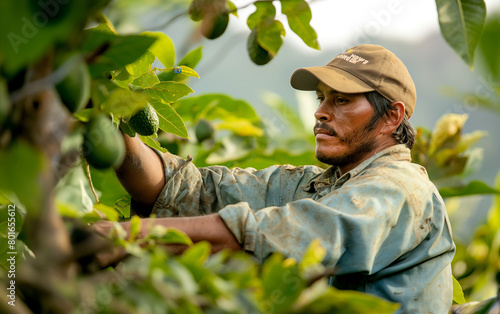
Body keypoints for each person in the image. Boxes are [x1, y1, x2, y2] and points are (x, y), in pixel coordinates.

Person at [94, 44, 455, 313]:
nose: (320, 112)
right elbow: (189, 189)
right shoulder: (317, 186)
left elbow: (300, 233)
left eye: (342, 101)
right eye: (321, 98)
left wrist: (128, 236)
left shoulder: (400, 188)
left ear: (392, 117)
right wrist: (110, 120)